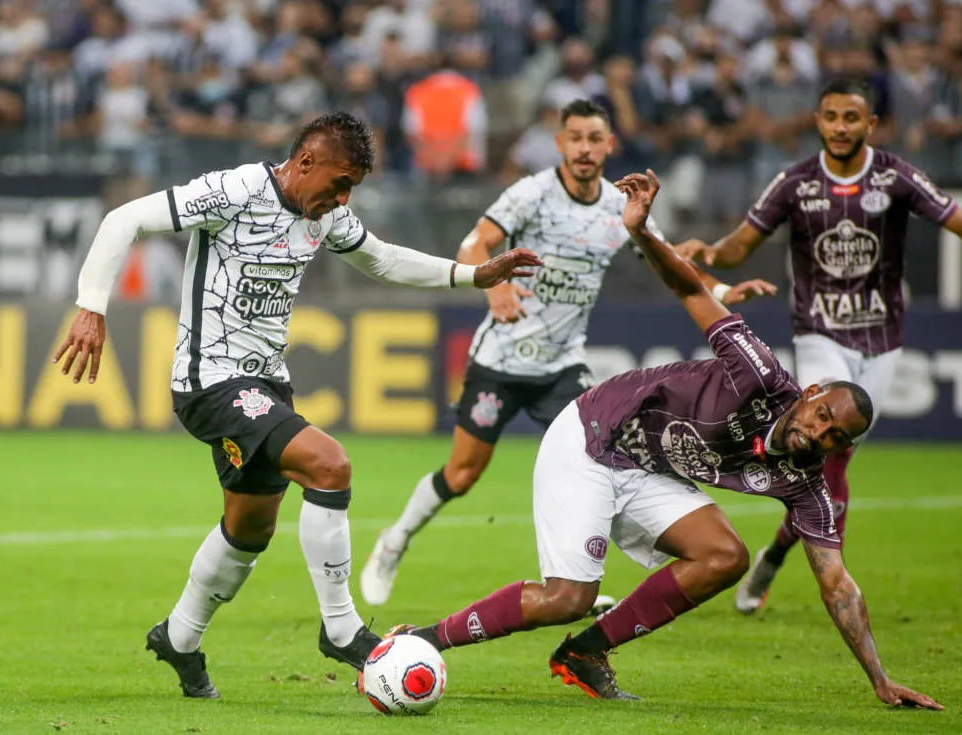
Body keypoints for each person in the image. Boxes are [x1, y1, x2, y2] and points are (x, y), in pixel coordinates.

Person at [386, 170, 942, 711]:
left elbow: (838, 585)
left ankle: (587, 652)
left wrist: (881, 679)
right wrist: (642, 231)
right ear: (811, 392)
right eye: (822, 415)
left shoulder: (805, 483)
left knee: (725, 556)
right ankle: (421, 638)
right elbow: (689, 287)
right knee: (567, 598)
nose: (817, 431)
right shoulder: (760, 375)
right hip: (593, 437)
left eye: (833, 435)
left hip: (648, 469)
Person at [51, 111, 541, 699]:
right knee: (329, 464)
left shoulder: (326, 216)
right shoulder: (235, 191)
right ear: (305, 162)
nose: (343, 197)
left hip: (265, 386)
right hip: (212, 381)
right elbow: (123, 218)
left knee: (248, 529)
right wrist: (91, 306)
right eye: (339, 182)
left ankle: (178, 637)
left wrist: (472, 276)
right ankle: (341, 628)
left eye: (352, 187)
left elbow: (381, 259)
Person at [359, 98, 777, 608]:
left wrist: (726, 295)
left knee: (602, 458)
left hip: (563, 365)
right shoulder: (532, 194)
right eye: (574, 137)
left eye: (593, 138)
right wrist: (495, 289)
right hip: (501, 360)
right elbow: (475, 243)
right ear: (560, 143)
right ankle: (394, 541)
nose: (584, 148)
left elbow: (670, 265)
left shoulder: (618, 208)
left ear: (609, 145)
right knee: (463, 473)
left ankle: (574, 579)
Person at [675, 77, 962, 615]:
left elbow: (952, 216)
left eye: (850, 118)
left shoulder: (896, 176)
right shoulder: (797, 183)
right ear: (818, 120)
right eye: (830, 116)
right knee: (833, 459)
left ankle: (778, 552)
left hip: (882, 342)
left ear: (870, 124)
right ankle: (834, 576)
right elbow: (741, 243)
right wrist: (710, 250)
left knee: (832, 462)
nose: (839, 127)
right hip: (820, 335)